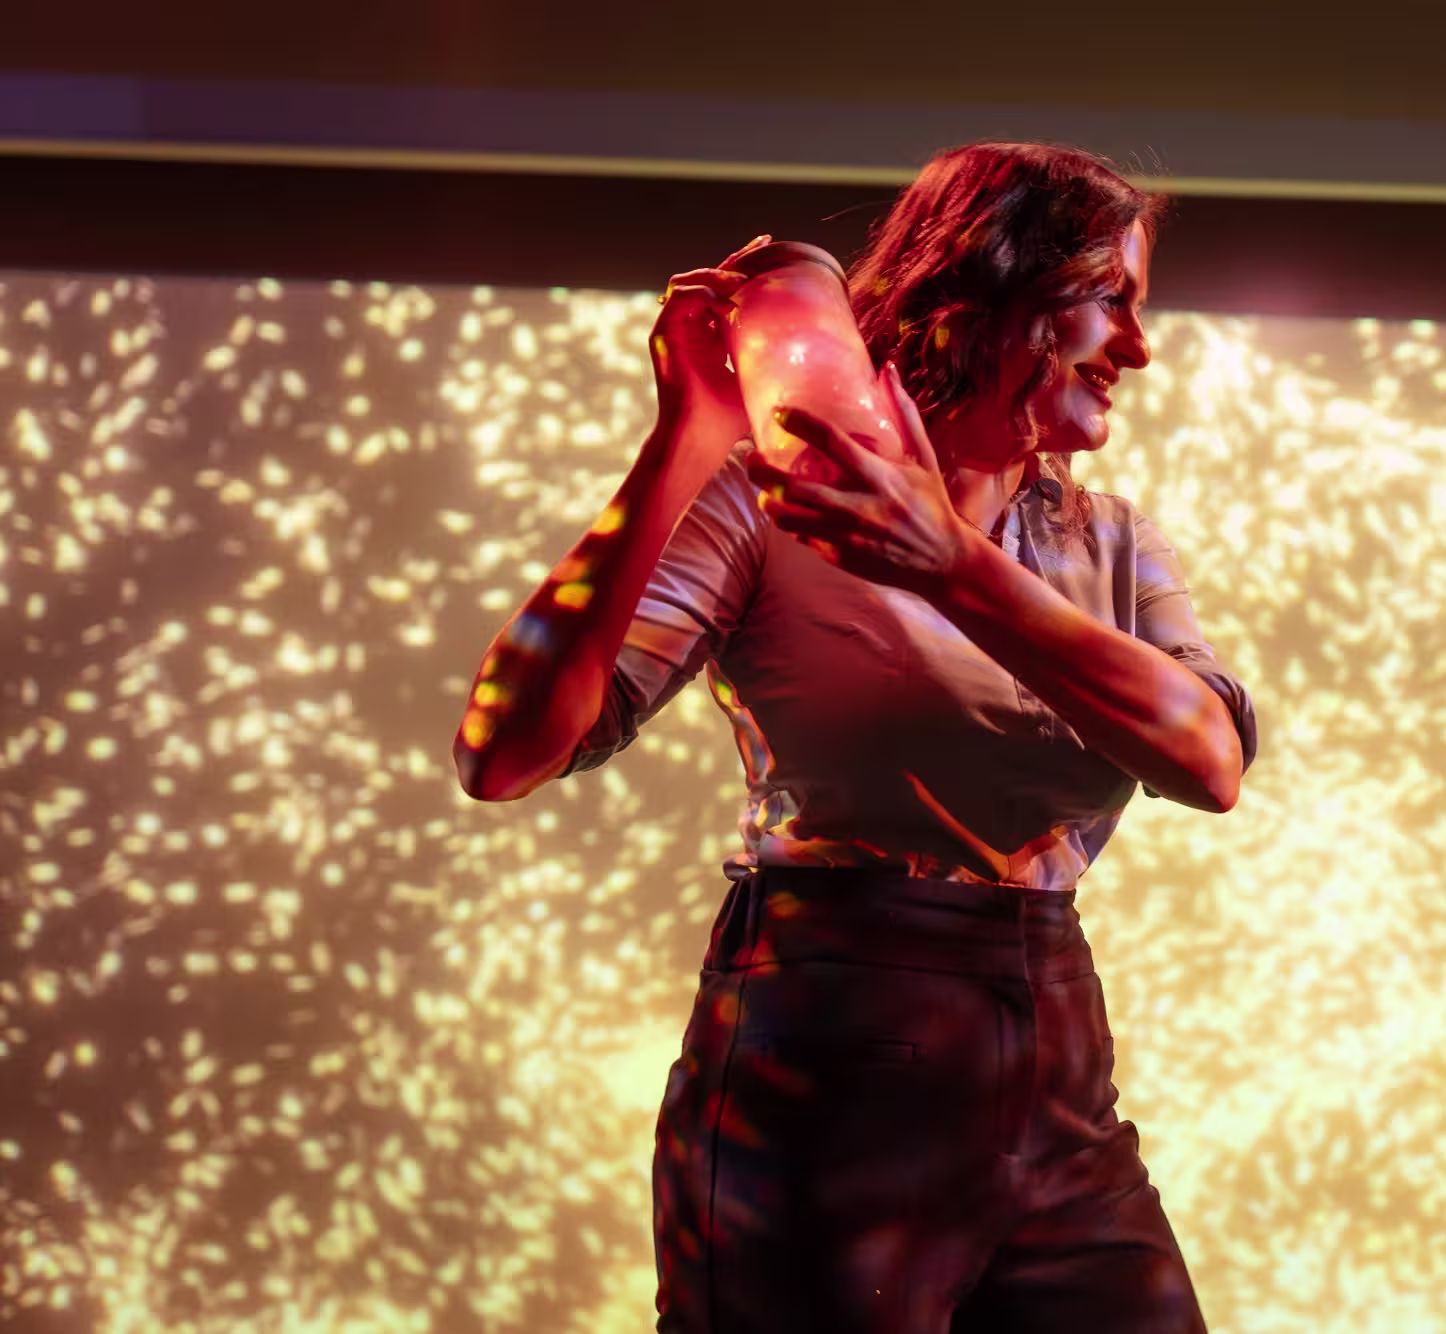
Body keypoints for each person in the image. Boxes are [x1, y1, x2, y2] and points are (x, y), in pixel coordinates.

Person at [452, 141, 1257, 1333]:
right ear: (990, 291)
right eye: (1110, 302)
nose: (1139, 348)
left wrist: (950, 562)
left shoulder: (1110, 540)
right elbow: (505, 748)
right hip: (825, 1045)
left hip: (1048, 1040)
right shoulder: (774, 505)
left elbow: (1207, 758)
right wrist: (682, 442)